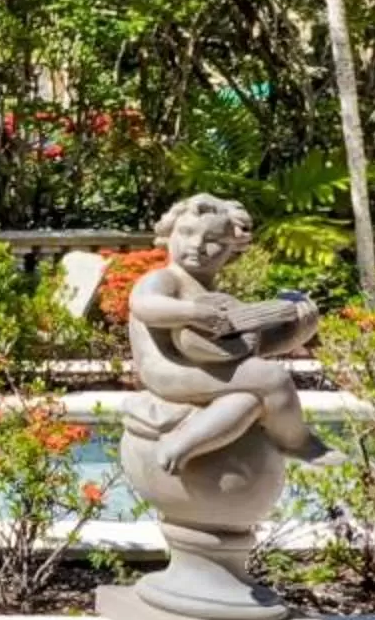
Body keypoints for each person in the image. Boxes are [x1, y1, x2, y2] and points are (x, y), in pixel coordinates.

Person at [125, 193, 325, 475]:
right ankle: (297, 442)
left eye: (213, 239)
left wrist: (296, 334)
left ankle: (182, 443)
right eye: (186, 233)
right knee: (272, 377)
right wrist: (193, 312)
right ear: (169, 235)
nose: (196, 245)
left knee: (249, 401)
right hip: (167, 370)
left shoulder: (210, 293)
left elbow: (234, 351)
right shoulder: (165, 279)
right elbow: (144, 304)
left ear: (233, 249)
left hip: (198, 369)